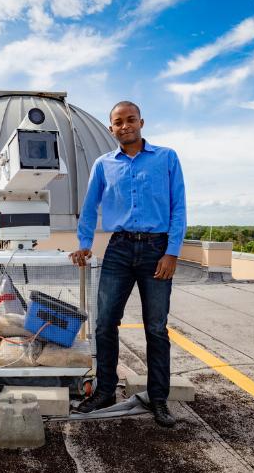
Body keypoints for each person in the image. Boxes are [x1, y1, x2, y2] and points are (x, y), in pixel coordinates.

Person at [69, 100, 186, 428]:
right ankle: (105, 391)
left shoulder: (166, 158)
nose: (125, 126)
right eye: (118, 122)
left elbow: (179, 207)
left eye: (130, 120)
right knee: (105, 323)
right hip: (119, 249)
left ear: (141, 122)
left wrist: (172, 252)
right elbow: (90, 208)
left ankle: (158, 400)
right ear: (111, 129)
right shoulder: (103, 165)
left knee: (155, 327)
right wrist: (84, 245)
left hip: (157, 249)